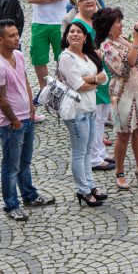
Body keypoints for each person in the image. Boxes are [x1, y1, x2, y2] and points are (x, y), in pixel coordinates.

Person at [0, 20, 55, 221]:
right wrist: (15, 121)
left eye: (17, 34)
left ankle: (29, 195)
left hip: (27, 117)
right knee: (11, 166)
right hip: (11, 124)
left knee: (24, 161)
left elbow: (24, 80)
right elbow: (0, 98)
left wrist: (32, 106)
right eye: (11, 35)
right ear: (0, 39)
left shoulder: (18, 55)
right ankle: (11, 205)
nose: (17, 38)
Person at [95, 7, 138, 190]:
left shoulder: (122, 39)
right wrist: (136, 40)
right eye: (118, 22)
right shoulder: (106, 46)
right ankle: (119, 172)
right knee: (123, 133)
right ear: (108, 26)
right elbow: (127, 65)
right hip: (122, 92)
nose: (122, 25)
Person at [59, 22, 108, 207]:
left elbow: (105, 78)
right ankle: (83, 190)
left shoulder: (88, 56)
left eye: (79, 32)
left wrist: (91, 80)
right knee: (79, 153)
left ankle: (90, 185)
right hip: (76, 112)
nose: (75, 34)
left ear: (85, 37)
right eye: (71, 31)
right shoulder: (66, 57)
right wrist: (95, 80)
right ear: (66, 36)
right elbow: (77, 85)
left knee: (88, 151)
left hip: (90, 109)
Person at [71, 0, 114, 170]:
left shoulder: (96, 19)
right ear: (77, 4)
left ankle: (100, 152)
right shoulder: (77, 24)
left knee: (103, 115)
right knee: (95, 117)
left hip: (103, 72)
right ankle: (94, 158)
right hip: (91, 73)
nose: (90, 1)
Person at [24, 0, 70, 92]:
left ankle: (63, 88)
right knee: (38, 59)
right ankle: (44, 90)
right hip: (39, 22)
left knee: (63, 58)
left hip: (60, 21)